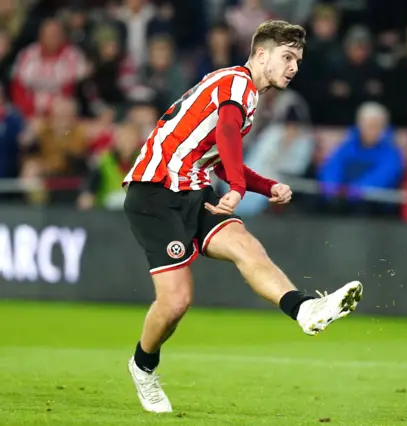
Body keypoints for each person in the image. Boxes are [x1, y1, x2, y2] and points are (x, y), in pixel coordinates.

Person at [122, 20, 364, 414]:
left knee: (245, 245)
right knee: (177, 300)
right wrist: (237, 187)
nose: (293, 68)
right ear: (261, 54)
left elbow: (219, 156)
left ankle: (304, 309)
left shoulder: (243, 99)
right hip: (155, 190)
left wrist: (265, 186)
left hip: (194, 190)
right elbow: (229, 135)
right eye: (287, 57)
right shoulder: (236, 82)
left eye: (298, 61)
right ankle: (143, 366)